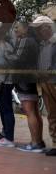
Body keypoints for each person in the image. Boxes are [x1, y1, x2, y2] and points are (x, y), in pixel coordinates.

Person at [11, 22, 44, 152]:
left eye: (17, 27)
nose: (15, 30)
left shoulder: (25, 40)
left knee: (29, 111)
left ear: (25, 29)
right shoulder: (34, 41)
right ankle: (38, 141)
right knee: (35, 111)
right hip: (31, 79)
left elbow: (16, 59)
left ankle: (35, 143)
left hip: (24, 80)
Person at [30, 16, 56, 156]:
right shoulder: (42, 44)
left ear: (48, 27)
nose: (38, 32)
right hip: (45, 83)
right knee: (52, 114)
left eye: (39, 28)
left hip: (53, 81)